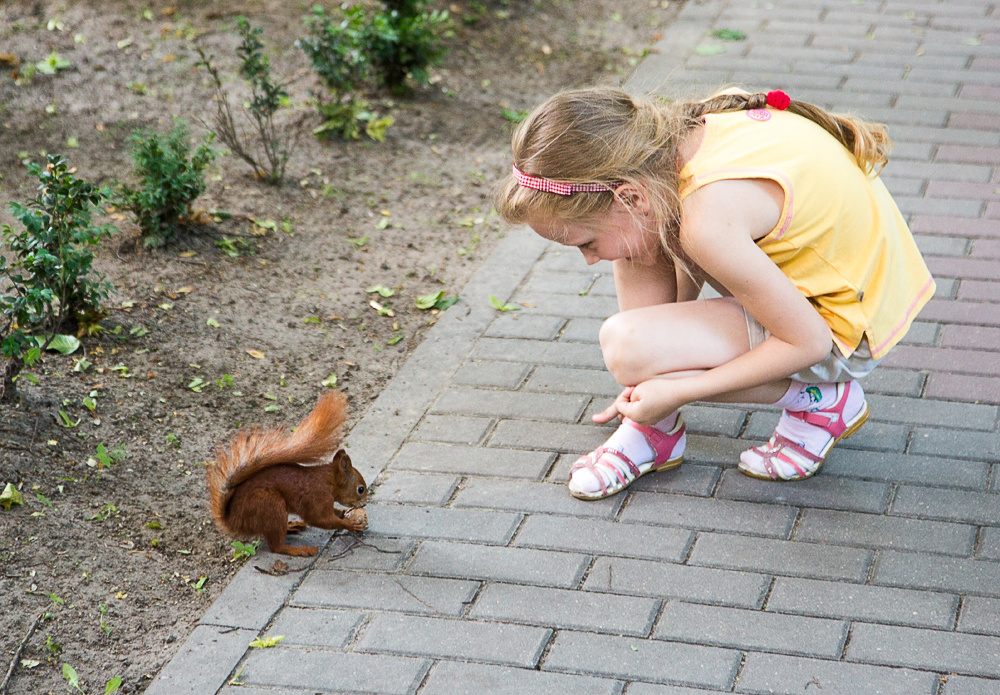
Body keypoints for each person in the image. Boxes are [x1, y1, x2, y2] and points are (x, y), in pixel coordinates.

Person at [493, 86, 935, 500]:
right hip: (848, 293)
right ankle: (653, 428)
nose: (589, 260)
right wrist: (659, 370)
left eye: (586, 243)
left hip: (844, 334)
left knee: (628, 345)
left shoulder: (705, 222)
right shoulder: (678, 143)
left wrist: (679, 389)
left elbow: (809, 343)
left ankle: (821, 401)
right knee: (635, 247)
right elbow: (672, 246)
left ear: (629, 196)